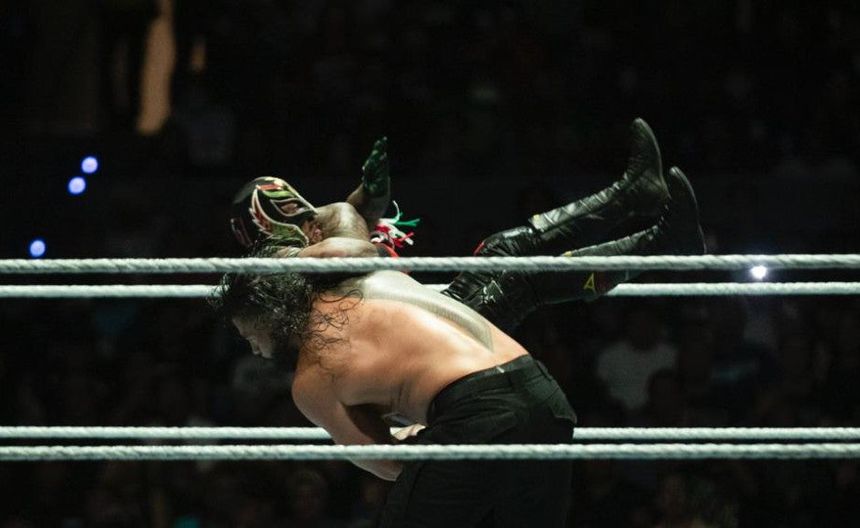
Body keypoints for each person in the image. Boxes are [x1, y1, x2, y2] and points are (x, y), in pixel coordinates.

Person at [227, 118, 705, 333]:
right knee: (514, 274)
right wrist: (302, 252)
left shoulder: (325, 225)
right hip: (409, 342)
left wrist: (371, 193)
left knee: (510, 263)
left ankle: (646, 216)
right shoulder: (275, 276)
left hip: (422, 319)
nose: (309, 218)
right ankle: (653, 230)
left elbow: (355, 219)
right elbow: (356, 249)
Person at [214, 263, 578, 527]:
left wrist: (426, 441)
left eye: (250, 336)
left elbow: (388, 463)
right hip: (544, 394)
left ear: (270, 317)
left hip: (475, 414)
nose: (255, 350)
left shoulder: (311, 378)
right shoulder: (371, 279)